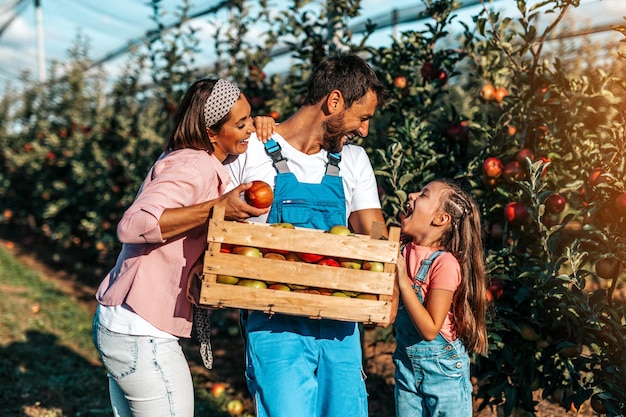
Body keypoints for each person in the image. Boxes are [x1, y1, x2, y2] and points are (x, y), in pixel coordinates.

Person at [91, 78, 276, 417]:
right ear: (210, 132)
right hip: (140, 329)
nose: (250, 128)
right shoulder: (194, 165)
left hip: (130, 325)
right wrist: (217, 208)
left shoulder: (194, 160)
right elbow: (133, 225)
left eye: (251, 117)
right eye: (240, 123)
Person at [226, 54, 391, 417]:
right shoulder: (251, 150)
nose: (364, 130)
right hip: (273, 320)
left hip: (339, 325)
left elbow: (374, 231)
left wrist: (386, 263)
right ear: (334, 102)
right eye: (361, 117)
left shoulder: (354, 160)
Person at [393, 178, 489, 417]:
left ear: (440, 219)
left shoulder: (444, 263)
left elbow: (430, 329)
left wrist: (403, 280)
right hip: (406, 365)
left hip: (442, 370)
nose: (411, 195)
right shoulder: (401, 251)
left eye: (423, 195)